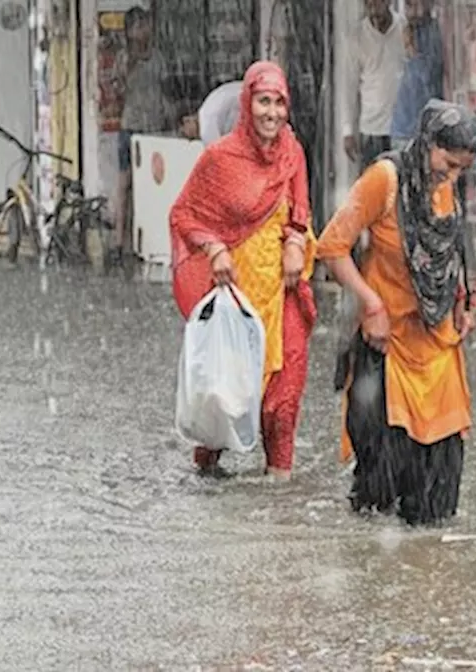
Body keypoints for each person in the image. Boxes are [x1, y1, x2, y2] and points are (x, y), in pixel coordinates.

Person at [317, 100, 476, 526]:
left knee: (438, 494)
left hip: (437, 340)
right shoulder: (385, 179)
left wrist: (464, 301)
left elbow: (449, 249)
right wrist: (370, 303)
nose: (452, 177)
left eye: (462, 169)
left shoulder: (446, 183)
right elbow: (332, 246)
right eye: (448, 164)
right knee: (380, 488)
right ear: (427, 143)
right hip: (386, 346)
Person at [169, 61, 318, 481]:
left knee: (282, 401)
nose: (272, 112)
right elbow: (184, 214)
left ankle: (278, 499)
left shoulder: (293, 152)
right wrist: (215, 248)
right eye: (263, 101)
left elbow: (301, 211)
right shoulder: (220, 159)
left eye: (279, 103)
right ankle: (206, 475)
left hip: (282, 291)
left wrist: (294, 243)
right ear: (246, 104)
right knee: (224, 397)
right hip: (238, 297)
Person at [114, 7, 171, 265]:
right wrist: (131, 64)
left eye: (145, 25)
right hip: (131, 126)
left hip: (154, 127)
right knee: (125, 183)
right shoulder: (125, 58)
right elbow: (118, 90)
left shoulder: (159, 57)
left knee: (152, 185)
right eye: (138, 26)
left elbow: (166, 88)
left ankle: (148, 241)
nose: (142, 31)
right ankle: (119, 241)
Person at [342, 0, 407, 169]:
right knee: (373, 188)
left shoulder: (404, 29)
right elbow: (350, 87)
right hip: (371, 130)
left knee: (400, 187)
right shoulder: (356, 36)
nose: (373, 6)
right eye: (368, 3)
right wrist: (348, 131)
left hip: (401, 129)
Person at [390, 0, 445, 150]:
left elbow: (428, 78)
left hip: (422, 130)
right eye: (409, 5)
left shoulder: (433, 32)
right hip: (402, 127)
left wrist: (412, 51)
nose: (414, 12)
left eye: (418, 5)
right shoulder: (406, 29)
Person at [199, 79, 244, 145]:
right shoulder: (211, 101)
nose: (189, 139)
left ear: (186, 120)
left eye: (183, 132)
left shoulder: (206, 119)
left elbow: (215, 150)